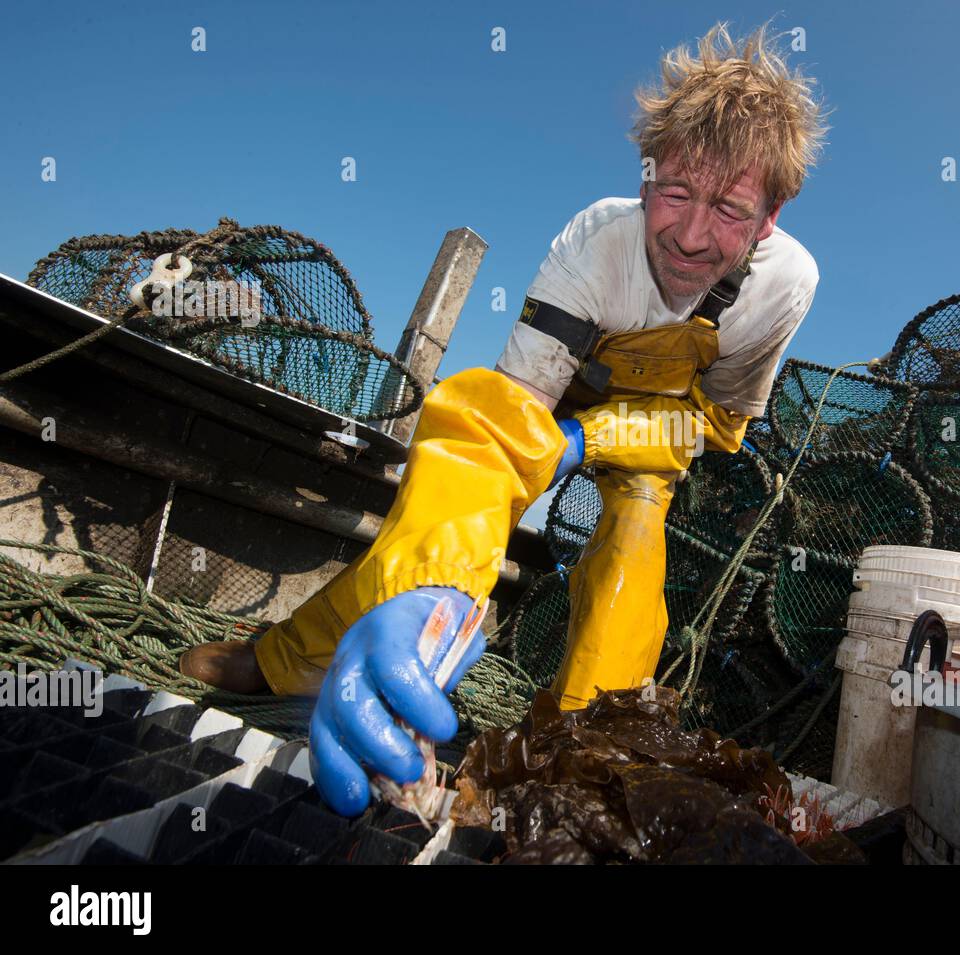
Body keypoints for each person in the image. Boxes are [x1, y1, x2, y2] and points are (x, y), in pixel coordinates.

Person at [179, 21, 829, 815]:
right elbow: (496, 436)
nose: (692, 236)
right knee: (447, 512)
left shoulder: (788, 285)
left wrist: (602, 439)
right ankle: (288, 660)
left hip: (660, 431)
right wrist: (443, 587)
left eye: (729, 208)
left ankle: (578, 761)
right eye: (676, 193)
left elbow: (719, 427)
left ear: (770, 215)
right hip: (555, 394)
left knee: (633, 546)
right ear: (646, 174)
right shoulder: (595, 243)